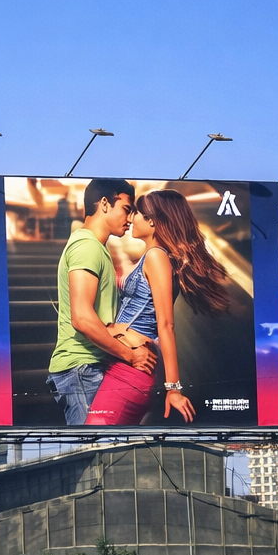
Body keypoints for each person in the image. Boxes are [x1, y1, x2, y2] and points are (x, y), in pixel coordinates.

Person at [86, 188, 230, 425]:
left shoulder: (156, 257)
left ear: (152, 221)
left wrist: (173, 388)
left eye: (138, 213)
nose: (131, 218)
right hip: (123, 367)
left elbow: (166, 325)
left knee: (97, 442)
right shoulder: (151, 256)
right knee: (101, 446)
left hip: (131, 373)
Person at [46, 178, 156, 425]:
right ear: (105, 204)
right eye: (126, 209)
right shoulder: (88, 247)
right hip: (80, 368)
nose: (129, 219)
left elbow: (100, 319)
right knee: (94, 453)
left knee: (103, 453)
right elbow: (83, 319)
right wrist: (130, 356)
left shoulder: (97, 247)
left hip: (86, 366)